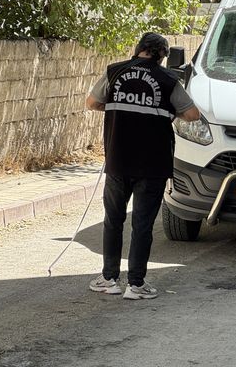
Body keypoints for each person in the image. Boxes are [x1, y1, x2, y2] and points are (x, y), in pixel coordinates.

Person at [85, 32, 201, 299]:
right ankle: (135, 284)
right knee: (142, 224)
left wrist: (120, 108)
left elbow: (91, 102)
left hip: (118, 160)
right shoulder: (169, 79)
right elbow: (192, 114)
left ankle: (109, 278)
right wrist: (169, 111)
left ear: (137, 49)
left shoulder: (114, 72)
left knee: (113, 220)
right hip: (152, 164)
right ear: (162, 56)